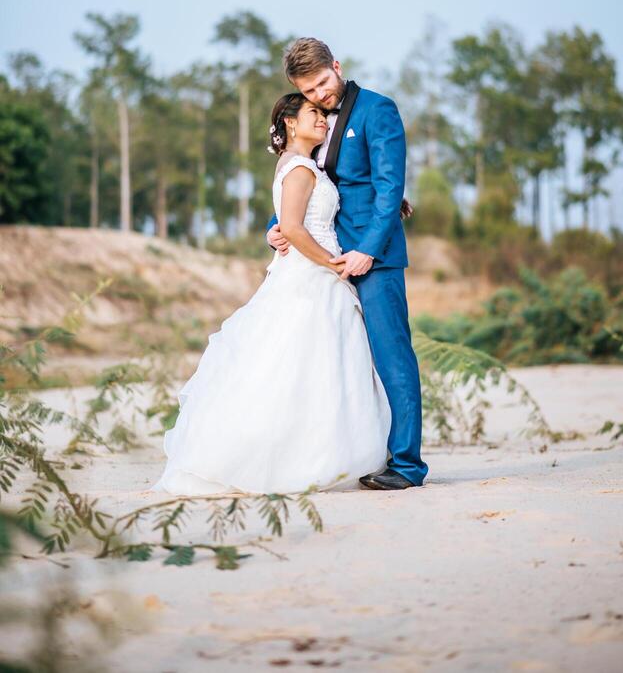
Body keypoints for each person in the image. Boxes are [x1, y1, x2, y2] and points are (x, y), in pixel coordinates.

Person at [152, 91, 392, 495]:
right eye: (314, 113)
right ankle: (294, 459)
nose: (323, 119)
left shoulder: (300, 164)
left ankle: (316, 455)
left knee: (311, 366)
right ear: (290, 123)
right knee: (302, 365)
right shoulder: (300, 168)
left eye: (323, 113)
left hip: (306, 271)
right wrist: (332, 264)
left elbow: (290, 223)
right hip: (311, 273)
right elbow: (295, 229)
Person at [266, 38, 429, 490]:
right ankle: (355, 453)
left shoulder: (378, 110)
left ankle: (407, 465)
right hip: (325, 263)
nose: (320, 96)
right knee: (336, 363)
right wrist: (274, 226)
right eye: (310, 91)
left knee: (391, 357)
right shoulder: (313, 123)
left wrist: (368, 250)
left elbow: (390, 187)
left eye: (322, 83)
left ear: (336, 66)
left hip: (372, 259)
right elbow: (303, 180)